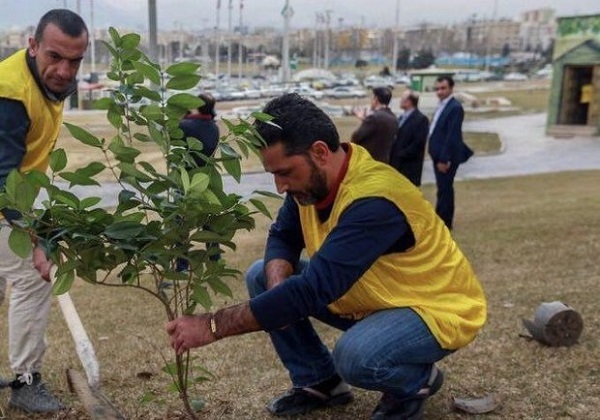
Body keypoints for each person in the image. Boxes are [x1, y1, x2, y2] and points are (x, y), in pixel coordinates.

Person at [166, 93, 487, 419]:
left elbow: (313, 290)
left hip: (433, 308)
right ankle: (319, 382)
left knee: (356, 358)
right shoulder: (311, 183)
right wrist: (278, 289)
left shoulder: (375, 200)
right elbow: (284, 236)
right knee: (261, 274)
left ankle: (415, 382)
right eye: (274, 174)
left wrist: (213, 325)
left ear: (319, 152)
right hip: (376, 298)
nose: (280, 187)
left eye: (285, 173)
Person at [0, 9, 88, 413]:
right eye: (55, 56)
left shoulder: (45, 80)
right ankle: (26, 380)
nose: (65, 70)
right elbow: (3, 177)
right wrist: (33, 238)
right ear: (32, 46)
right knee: (33, 278)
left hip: (17, 186)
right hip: (5, 187)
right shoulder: (10, 92)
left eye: (75, 60)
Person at [175, 93, 221, 271]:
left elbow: (173, 138)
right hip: (206, 179)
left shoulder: (185, 125)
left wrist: (182, 114)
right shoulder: (213, 127)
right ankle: (214, 260)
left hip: (186, 180)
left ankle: (182, 266)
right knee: (209, 222)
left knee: (181, 224)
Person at [428, 75, 473, 230]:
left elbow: (452, 135)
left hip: (445, 157)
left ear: (451, 89)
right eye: (437, 88)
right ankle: (440, 218)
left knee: (445, 188)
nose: (439, 92)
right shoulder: (441, 105)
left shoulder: (455, 107)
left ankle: (445, 222)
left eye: (443, 88)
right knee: (442, 188)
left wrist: (444, 159)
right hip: (437, 154)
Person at [389, 89, 429, 187]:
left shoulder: (421, 119)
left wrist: (400, 155)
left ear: (410, 101)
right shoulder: (401, 118)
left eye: (402, 99)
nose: (400, 101)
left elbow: (418, 143)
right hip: (396, 165)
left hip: (409, 167)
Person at [350, 86, 397, 163]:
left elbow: (357, 136)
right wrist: (365, 119)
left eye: (372, 98)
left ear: (376, 99)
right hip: (384, 162)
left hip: (369, 161)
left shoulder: (374, 117)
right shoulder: (393, 118)